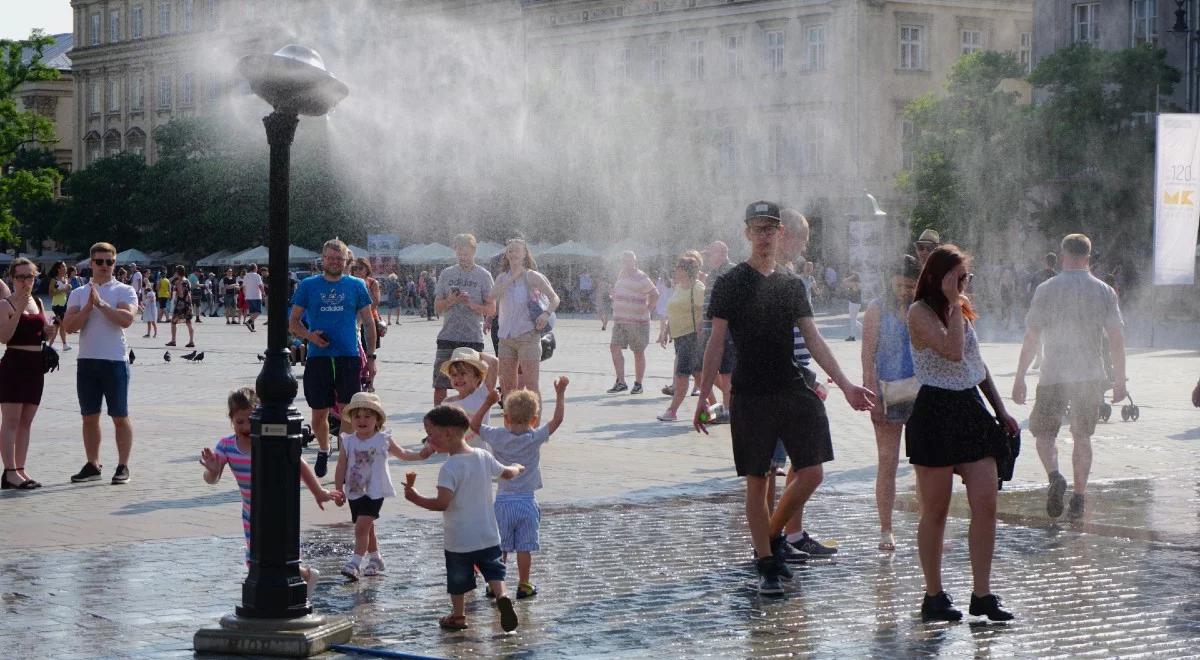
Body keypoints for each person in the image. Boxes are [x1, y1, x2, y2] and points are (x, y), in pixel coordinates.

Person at [694, 201, 874, 596]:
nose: (764, 235)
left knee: (812, 472)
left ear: (780, 234)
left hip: (793, 387)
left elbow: (813, 338)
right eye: (758, 229)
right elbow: (715, 342)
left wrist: (845, 384)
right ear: (747, 233)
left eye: (771, 229)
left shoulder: (791, 284)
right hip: (751, 394)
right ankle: (766, 564)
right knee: (757, 482)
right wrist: (704, 393)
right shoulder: (730, 282)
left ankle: (771, 537)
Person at [906, 244, 1018, 622]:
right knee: (935, 512)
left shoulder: (961, 312)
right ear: (938, 278)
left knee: (986, 503)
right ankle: (934, 595)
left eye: (966, 278)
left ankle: (982, 594)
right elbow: (952, 352)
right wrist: (954, 304)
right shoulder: (918, 312)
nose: (964, 284)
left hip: (970, 408)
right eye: (957, 278)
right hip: (935, 411)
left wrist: (1001, 411)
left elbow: (975, 363)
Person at [1012, 234, 1126, 520]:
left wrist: (1020, 376)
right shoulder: (1104, 291)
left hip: (1053, 374)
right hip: (1089, 375)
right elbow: (1116, 339)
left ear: (1062, 255)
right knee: (1082, 436)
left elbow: (1032, 336)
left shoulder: (1047, 288)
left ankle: (1054, 476)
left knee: (1044, 434)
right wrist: (1120, 380)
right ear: (1088, 258)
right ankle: (1079, 496)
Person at [199, 387, 341, 598]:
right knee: (254, 557)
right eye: (240, 422)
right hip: (250, 511)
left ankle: (296, 580)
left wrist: (318, 491)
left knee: (279, 552)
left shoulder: (268, 439)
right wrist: (211, 470)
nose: (246, 427)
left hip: (277, 506)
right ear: (231, 420)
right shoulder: (227, 446)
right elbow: (213, 478)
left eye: (250, 420)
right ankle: (292, 582)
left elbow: (297, 463)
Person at [403, 405, 524, 632]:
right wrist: (517, 467)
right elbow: (507, 473)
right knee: (494, 571)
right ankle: (502, 596)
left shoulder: (449, 468)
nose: (428, 439)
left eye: (430, 433)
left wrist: (414, 497)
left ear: (448, 433)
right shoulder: (483, 456)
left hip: (459, 540)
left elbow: (442, 503)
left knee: (458, 581)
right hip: (488, 535)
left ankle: (458, 616)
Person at [772, 208, 841, 559]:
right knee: (776, 467)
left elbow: (806, 335)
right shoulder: (770, 278)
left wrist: (816, 376)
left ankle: (792, 533)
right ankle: (772, 539)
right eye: (802, 238)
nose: (804, 246)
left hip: (800, 377)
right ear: (785, 234)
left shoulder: (793, 278)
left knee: (799, 464)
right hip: (780, 382)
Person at [469, 377, 567, 599]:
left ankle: (495, 584)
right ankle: (524, 584)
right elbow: (557, 420)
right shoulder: (534, 436)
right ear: (533, 420)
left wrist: (487, 402)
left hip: (503, 501)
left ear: (505, 419)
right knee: (524, 547)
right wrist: (560, 393)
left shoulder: (497, 435)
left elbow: (474, 426)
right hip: (527, 502)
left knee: (499, 548)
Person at [289, 239, 377, 478]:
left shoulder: (356, 285)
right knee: (319, 414)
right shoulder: (308, 285)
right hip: (318, 357)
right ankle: (324, 448)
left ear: (346, 261)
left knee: (349, 411)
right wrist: (310, 336)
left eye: (339, 259)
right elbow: (293, 322)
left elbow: (369, 322)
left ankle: (344, 461)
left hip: (348, 356)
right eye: (330, 258)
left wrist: (371, 357)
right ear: (322, 259)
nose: (335, 262)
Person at [333, 392, 434, 580]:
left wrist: (422, 454)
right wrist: (339, 489)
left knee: (361, 527)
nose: (362, 420)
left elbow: (403, 454)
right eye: (357, 416)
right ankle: (375, 559)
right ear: (351, 419)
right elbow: (341, 466)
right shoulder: (348, 440)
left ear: (377, 419)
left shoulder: (382, 439)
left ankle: (355, 563)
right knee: (367, 527)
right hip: (355, 491)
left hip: (375, 491)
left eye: (367, 416)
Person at [62, 242, 139, 485]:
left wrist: (102, 304)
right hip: (87, 361)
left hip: (115, 360)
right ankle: (93, 463)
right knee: (89, 416)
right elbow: (69, 326)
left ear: (115, 264)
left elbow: (126, 319)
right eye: (100, 261)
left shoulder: (125, 290)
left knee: (119, 415)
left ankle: (123, 465)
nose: (105, 266)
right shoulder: (78, 293)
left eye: (110, 262)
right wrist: (88, 307)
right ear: (91, 263)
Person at [862, 255, 920, 552]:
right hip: (887, 392)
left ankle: (929, 525)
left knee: (927, 463)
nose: (904, 291)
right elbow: (867, 356)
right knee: (888, 463)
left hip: (921, 393)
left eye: (910, 286)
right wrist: (871, 396)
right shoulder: (876, 309)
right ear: (890, 281)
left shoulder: (922, 308)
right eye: (899, 285)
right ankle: (886, 529)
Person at [1, 258, 54, 489]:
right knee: (11, 421)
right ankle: (9, 471)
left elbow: (40, 335)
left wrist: (49, 331)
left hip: (35, 366)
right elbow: (4, 337)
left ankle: (21, 469)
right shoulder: (5, 304)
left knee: (26, 422)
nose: (25, 281)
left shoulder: (39, 302)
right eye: (21, 277)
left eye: (30, 276)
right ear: (12, 278)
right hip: (14, 364)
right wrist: (19, 308)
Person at [488, 238, 559, 401]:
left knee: (531, 386)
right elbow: (492, 296)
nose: (513, 254)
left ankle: (535, 425)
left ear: (525, 254)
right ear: (506, 254)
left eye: (517, 250)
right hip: (505, 338)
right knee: (507, 386)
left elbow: (554, 298)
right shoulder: (501, 278)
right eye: (510, 251)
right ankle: (511, 424)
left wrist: (546, 313)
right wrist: (513, 278)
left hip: (528, 336)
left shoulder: (532, 276)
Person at [433, 234, 496, 406]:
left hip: (472, 337)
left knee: (473, 384)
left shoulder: (483, 275)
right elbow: (437, 307)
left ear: (474, 251)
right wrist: (450, 301)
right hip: (448, 336)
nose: (463, 256)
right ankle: (438, 423)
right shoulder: (447, 273)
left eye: (466, 252)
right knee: (440, 383)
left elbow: (492, 309)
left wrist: (472, 305)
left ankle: (473, 421)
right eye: (459, 252)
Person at [656, 252, 705, 422]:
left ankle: (672, 411)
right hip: (680, 337)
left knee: (682, 375)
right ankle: (719, 408)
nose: (675, 270)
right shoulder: (679, 286)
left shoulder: (697, 288)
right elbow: (673, 309)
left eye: (678, 267)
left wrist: (701, 327)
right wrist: (667, 329)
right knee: (699, 375)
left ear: (686, 270)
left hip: (691, 337)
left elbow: (708, 310)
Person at [606, 251, 659, 395]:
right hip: (620, 321)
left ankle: (638, 384)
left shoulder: (641, 277)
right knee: (614, 347)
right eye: (624, 261)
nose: (626, 263)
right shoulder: (621, 275)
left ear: (635, 262)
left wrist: (647, 310)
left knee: (638, 352)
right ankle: (621, 382)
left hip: (638, 322)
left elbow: (655, 294)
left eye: (629, 261)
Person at [699, 241, 736, 421]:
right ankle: (730, 402)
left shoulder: (731, 271)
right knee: (711, 370)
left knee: (726, 372)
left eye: (710, 254)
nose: (708, 258)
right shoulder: (713, 273)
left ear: (722, 253)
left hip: (725, 331)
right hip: (710, 329)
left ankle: (729, 410)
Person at [440, 348, 500, 440]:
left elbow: (494, 362)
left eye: (463, 373)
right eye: (454, 375)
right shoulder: (447, 402)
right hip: (457, 453)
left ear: (477, 377)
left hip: (480, 450)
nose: (458, 378)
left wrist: (478, 355)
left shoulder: (482, 393)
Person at [351, 258, 382, 351]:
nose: (357, 271)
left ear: (367, 269)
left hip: (369, 318)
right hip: (353, 319)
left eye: (360, 268)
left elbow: (376, 302)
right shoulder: (350, 282)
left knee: (369, 350)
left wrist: (366, 286)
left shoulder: (373, 282)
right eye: (354, 268)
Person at [166, 265, 195, 348]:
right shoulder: (187, 281)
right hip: (188, 304)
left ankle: (173, 340)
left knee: (173, 322)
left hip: (180, 305)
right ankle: (191, 341)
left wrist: (175, 278)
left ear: (177, 272)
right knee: (189, 322)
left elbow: (181, 295)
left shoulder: (179, 282)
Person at [48, 261, 72, 352]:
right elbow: (50, 293)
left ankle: (50, 345)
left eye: (65, 266)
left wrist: (68, 288)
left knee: (57, 326)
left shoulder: (65, 278)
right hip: (57, 305)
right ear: (58, 269)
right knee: (63, 324)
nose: (65, 268)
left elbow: (64, 291)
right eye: (63, 266)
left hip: (64, 304)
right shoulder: (54, 280)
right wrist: (63, 289)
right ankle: (64, 344)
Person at [843, 274, 862, 341]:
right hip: (856, 303)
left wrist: (850, 277)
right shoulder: (858, 284)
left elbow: (844, 281)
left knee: (853, 320)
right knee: (853, 319)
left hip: (853, 303)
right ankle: (864, 329)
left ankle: (852, 336)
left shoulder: (854, 284)